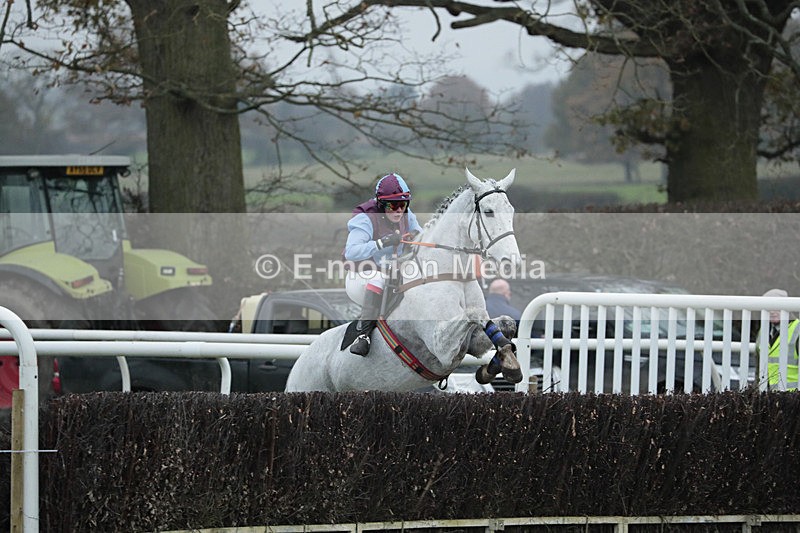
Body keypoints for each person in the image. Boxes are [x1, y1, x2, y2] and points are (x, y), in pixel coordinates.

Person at [343, 173, 423, 356]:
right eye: (392, 205)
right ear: (381, 204)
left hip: (392, 275)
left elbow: (421, 234)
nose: (398, 211)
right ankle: (363, 336)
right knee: (379, 277)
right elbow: (352, 252)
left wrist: (419, 238)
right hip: (360, 276)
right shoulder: (365, 218)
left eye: (402, 205)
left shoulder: (407, 215)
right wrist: (382, 242)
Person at [756, 288, 799, 390]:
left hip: (793, 398)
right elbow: (758, 368)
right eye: (769, 307)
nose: (772, 311)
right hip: (769, 397)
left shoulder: (797, 329)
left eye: (776, 307)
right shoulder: (763, 331)